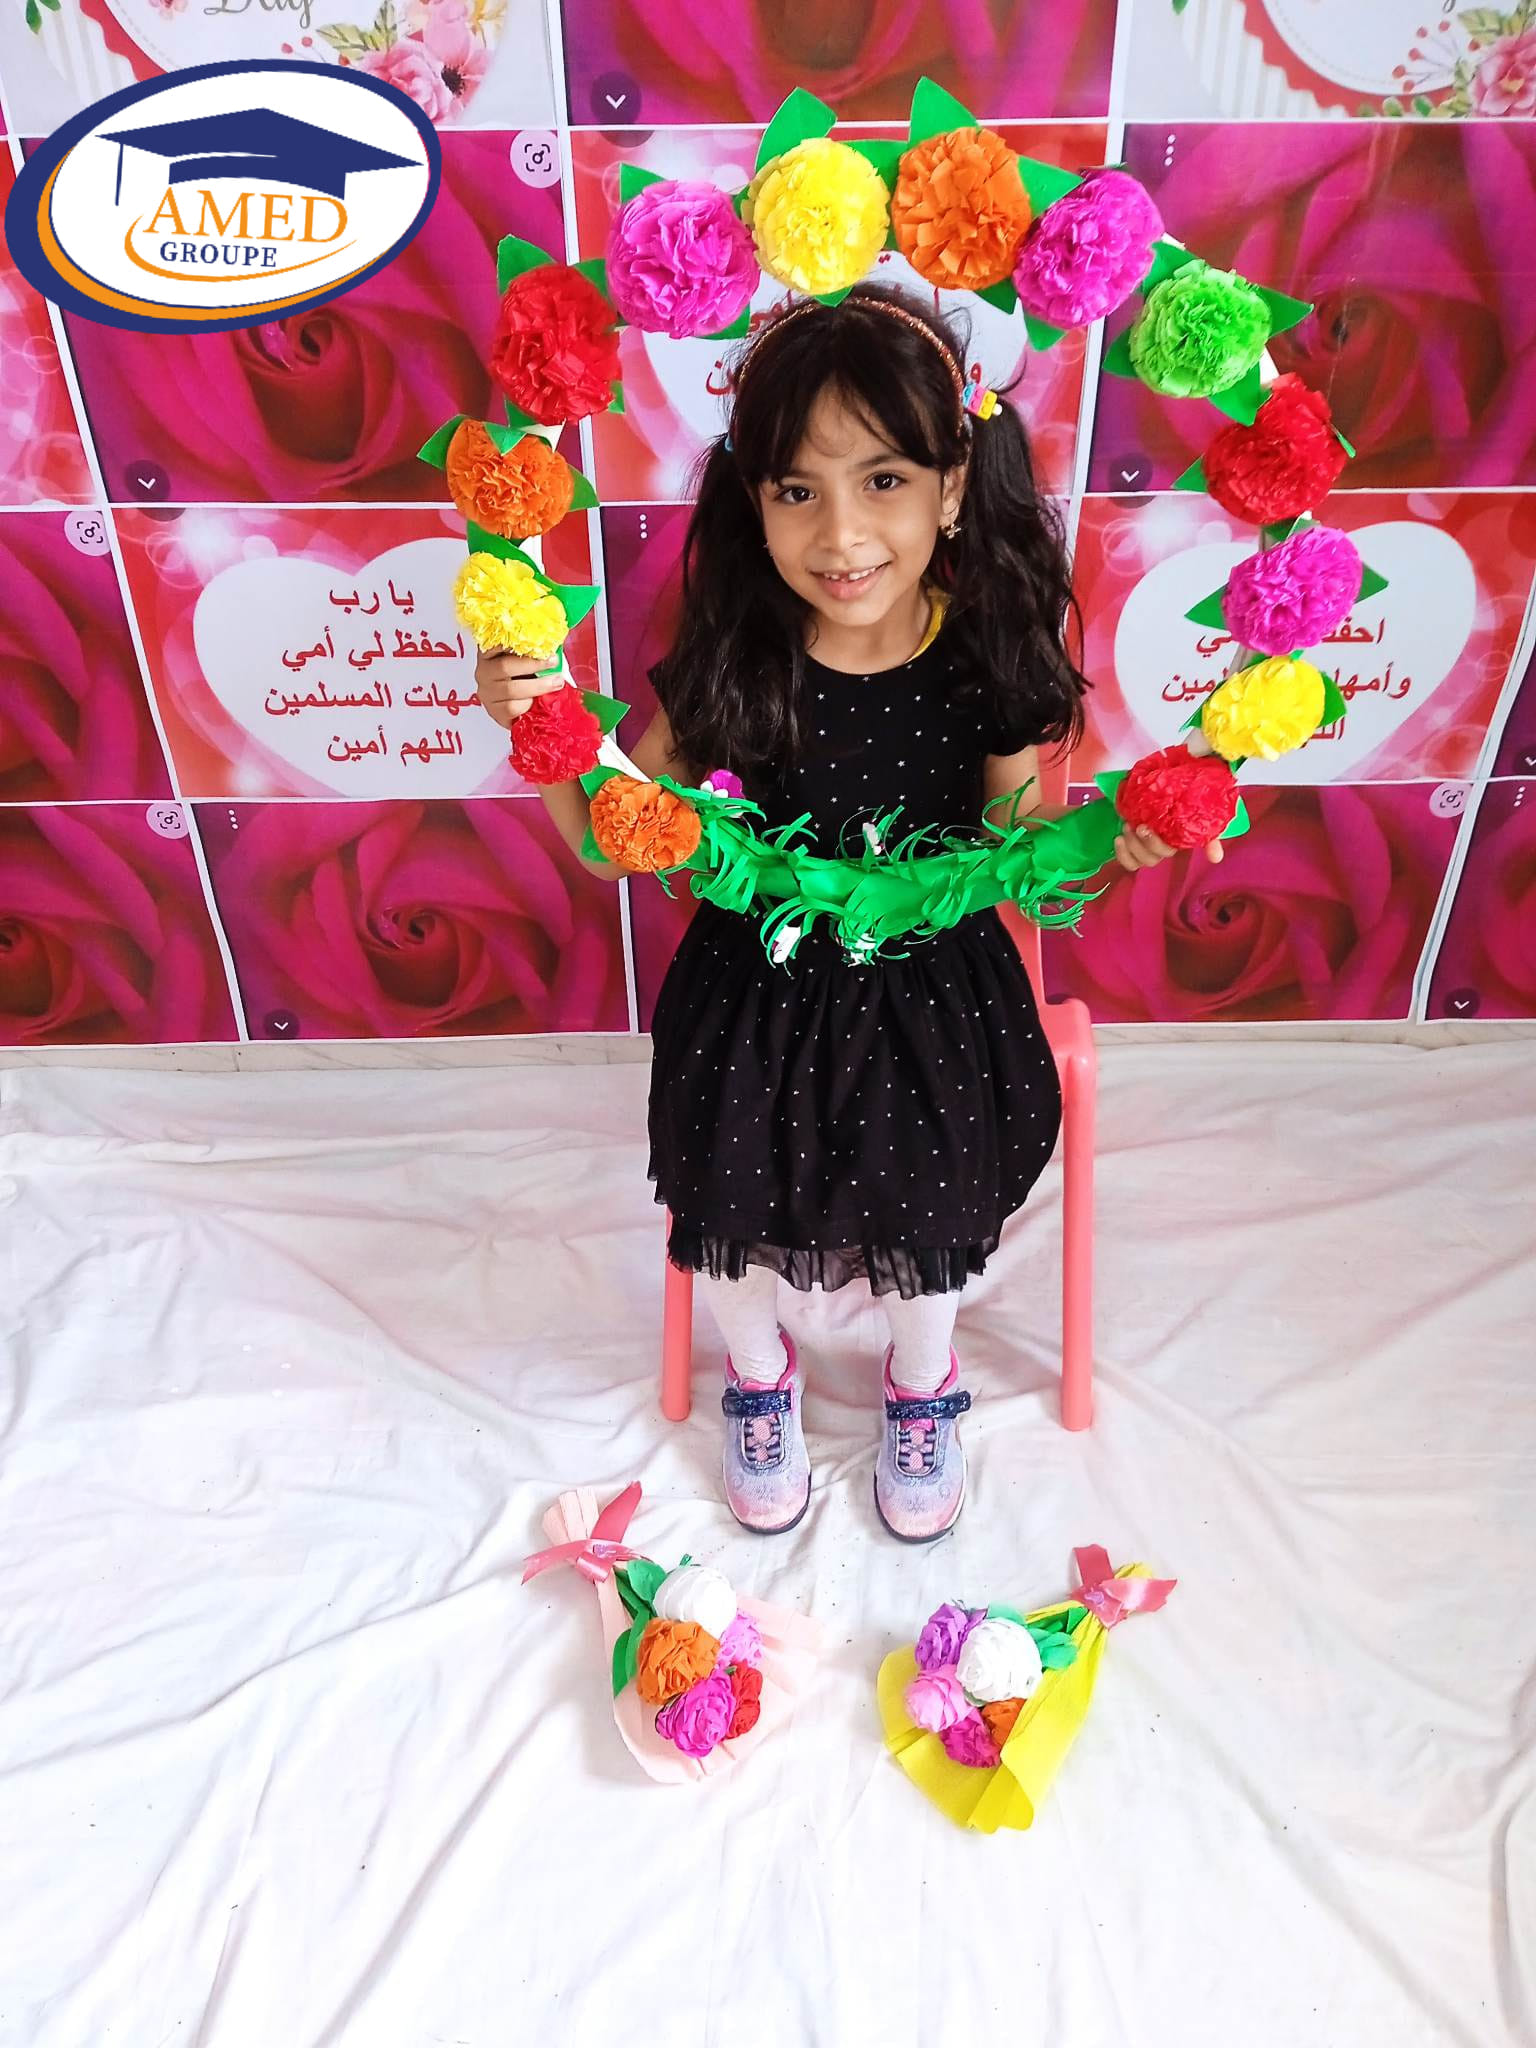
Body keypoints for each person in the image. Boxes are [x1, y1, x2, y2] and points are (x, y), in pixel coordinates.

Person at [475, 282, 1223, 1543]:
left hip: (934, 977)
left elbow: (1015, 856)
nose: (842, 533)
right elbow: (614, 837)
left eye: (883, 480)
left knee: (928, 1161)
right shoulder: (735, 654)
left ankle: (921, 1377)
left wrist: (1124, 843)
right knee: (720, 1156)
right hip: (759, 979)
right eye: (797, 489)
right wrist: (537, 729)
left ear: (950, 486)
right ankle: (756, 1371)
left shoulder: (985, 656)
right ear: (754, 498)